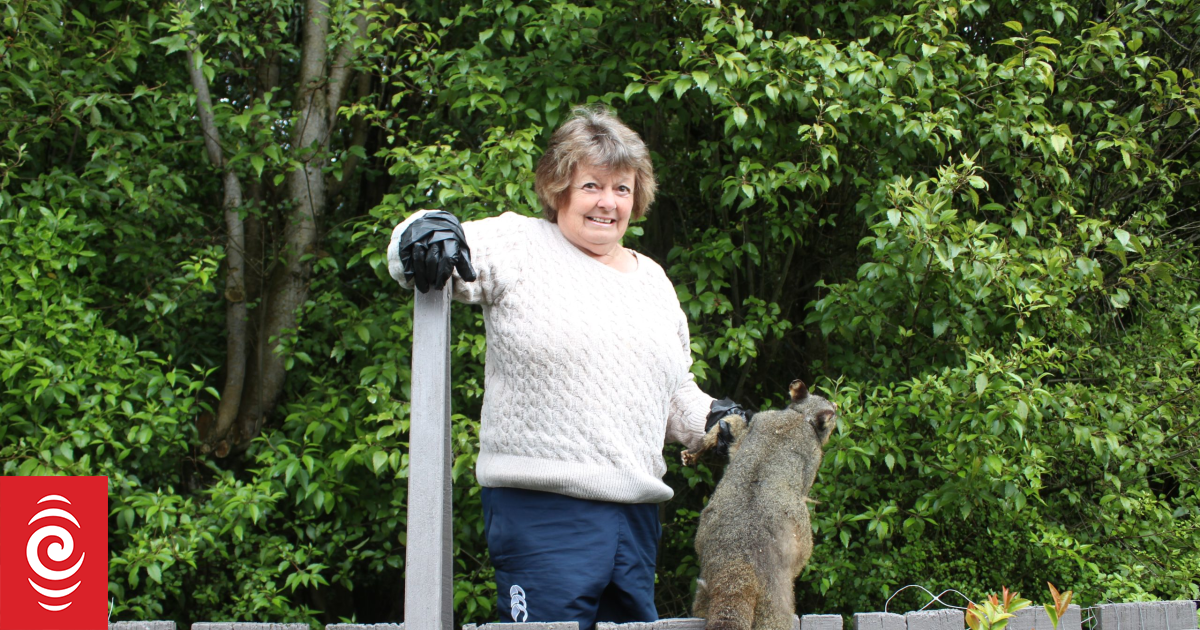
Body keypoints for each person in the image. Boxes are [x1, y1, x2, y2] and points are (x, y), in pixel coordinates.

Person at [387, 105, 745, 629]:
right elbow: (417, 249)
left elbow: (673, 395)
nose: (608, 202)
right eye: (592, 186)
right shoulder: (520, 244)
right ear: (560, 189)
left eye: (622, 188)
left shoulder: (654, 282)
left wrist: (716, 422)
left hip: (636, 516)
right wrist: (420, 233)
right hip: (541, 509)